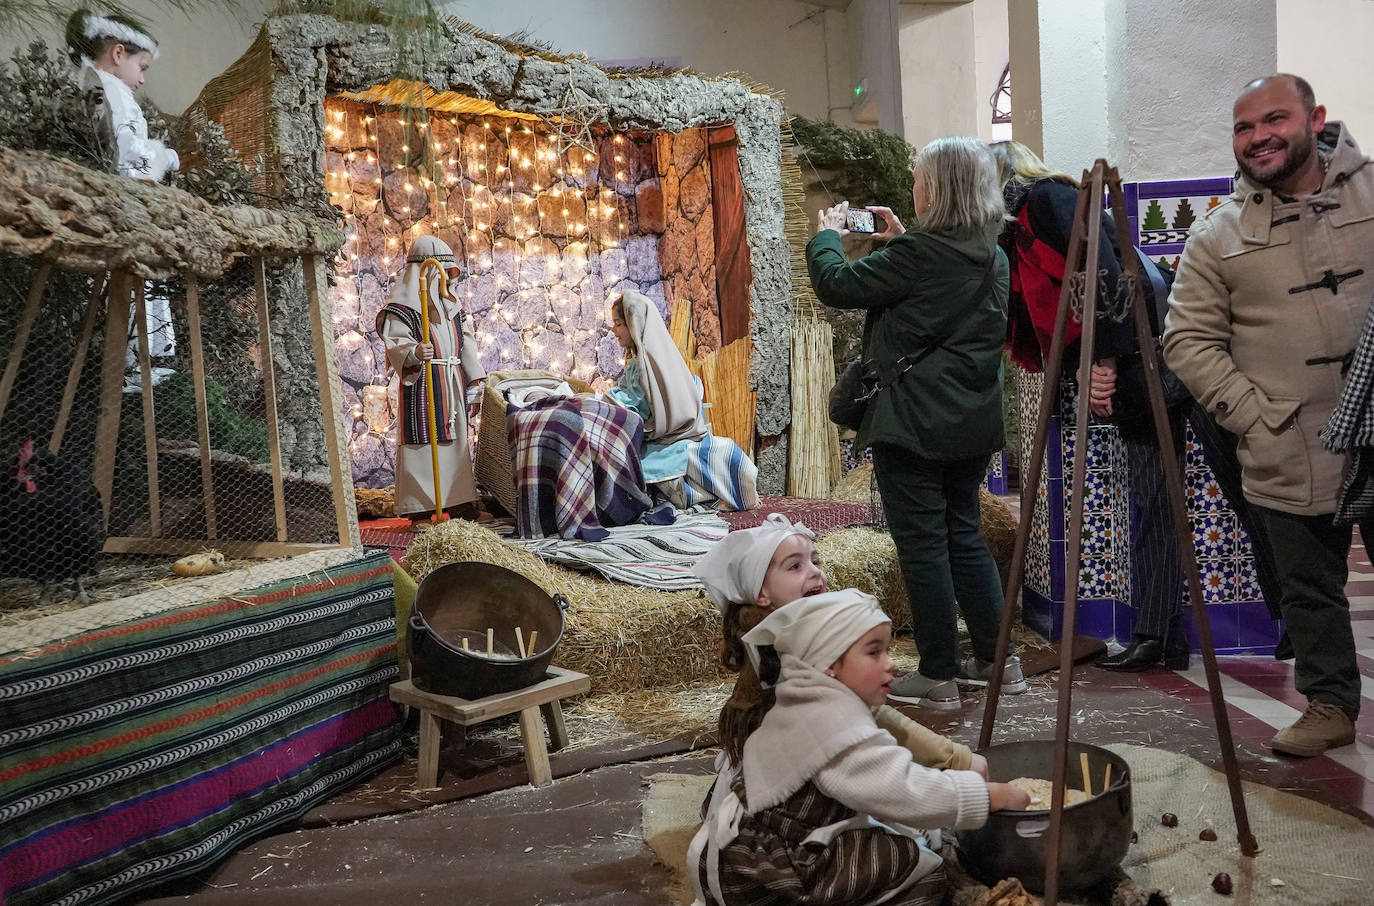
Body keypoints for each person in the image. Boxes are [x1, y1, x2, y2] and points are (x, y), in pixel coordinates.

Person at [1164, 74, 1374, 756]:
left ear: (1314, 118)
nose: (1259, 137)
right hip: (1291, 442)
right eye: (1243, 127)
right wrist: (1254, 415)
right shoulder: (1219, 234)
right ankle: (1329, 702)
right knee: (1308, 587)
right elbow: (1186, 340)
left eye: (1273, 119)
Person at [806, 136, 1026, 710]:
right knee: (964, 534)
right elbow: (939, 290)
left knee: (924, 545)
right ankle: (997, 661)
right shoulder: (994, 255)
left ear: (940, 189)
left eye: (920, 178)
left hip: (913, 423)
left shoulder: (921, 256)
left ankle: (936, 671)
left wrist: (826, 235)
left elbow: (838, 285)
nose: (914, 186)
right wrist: (904, 241)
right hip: (973, 424)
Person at [688, 589, 1029, 906]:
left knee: (906, 828)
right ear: (829, 666)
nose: (890, 663)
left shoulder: (804, 697)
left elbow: (877, 771)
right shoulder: (834, 724)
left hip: (741, 851)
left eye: (888, 649)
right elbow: (904, 790)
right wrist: (988, 797)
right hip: (765, 875)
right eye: (874, 652)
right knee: (920, 867)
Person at [694, 513, 985, 774]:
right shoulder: (794, 649)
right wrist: (956, 758)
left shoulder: (763, 628)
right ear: (761, 593)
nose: (815, 572)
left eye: (815, 561)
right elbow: (876, 717)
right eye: (795, 566)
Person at [607, 290, 759, 511]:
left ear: (634, 324)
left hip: (670, 434)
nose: (614, 330)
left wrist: (609, 400)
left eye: (619, 324)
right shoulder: (649, 358)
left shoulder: (645, 364)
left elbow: (636, 407)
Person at [377, 236, 487, 528]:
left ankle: (462, 503)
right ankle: (421, 510)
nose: (446, 277)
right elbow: (395, 342)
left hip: (450, 381)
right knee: (423, 447)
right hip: (423, 383)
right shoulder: (403, 308)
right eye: (440, 270)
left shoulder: (453, 306)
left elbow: (467, 344)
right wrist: (412, 351)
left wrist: (474, 383)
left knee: (457, 446)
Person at [65, 9, 179, 182]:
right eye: (142, 67)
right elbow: (126, 151)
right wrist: (166, 158)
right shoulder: (114, 91)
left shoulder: (85, 85)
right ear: (118, 54)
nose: (142, 80)